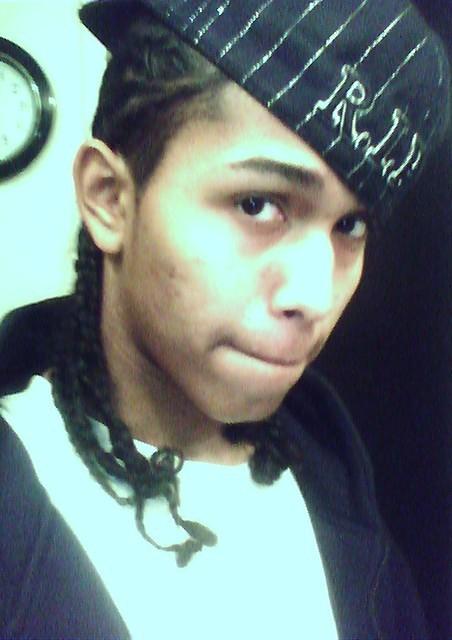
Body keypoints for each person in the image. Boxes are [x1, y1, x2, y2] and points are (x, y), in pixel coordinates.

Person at [0, 0, 449, 638]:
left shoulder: (333, 469)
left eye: (350, 226)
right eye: (258, 204)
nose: (315, 295)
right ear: (110, 198)